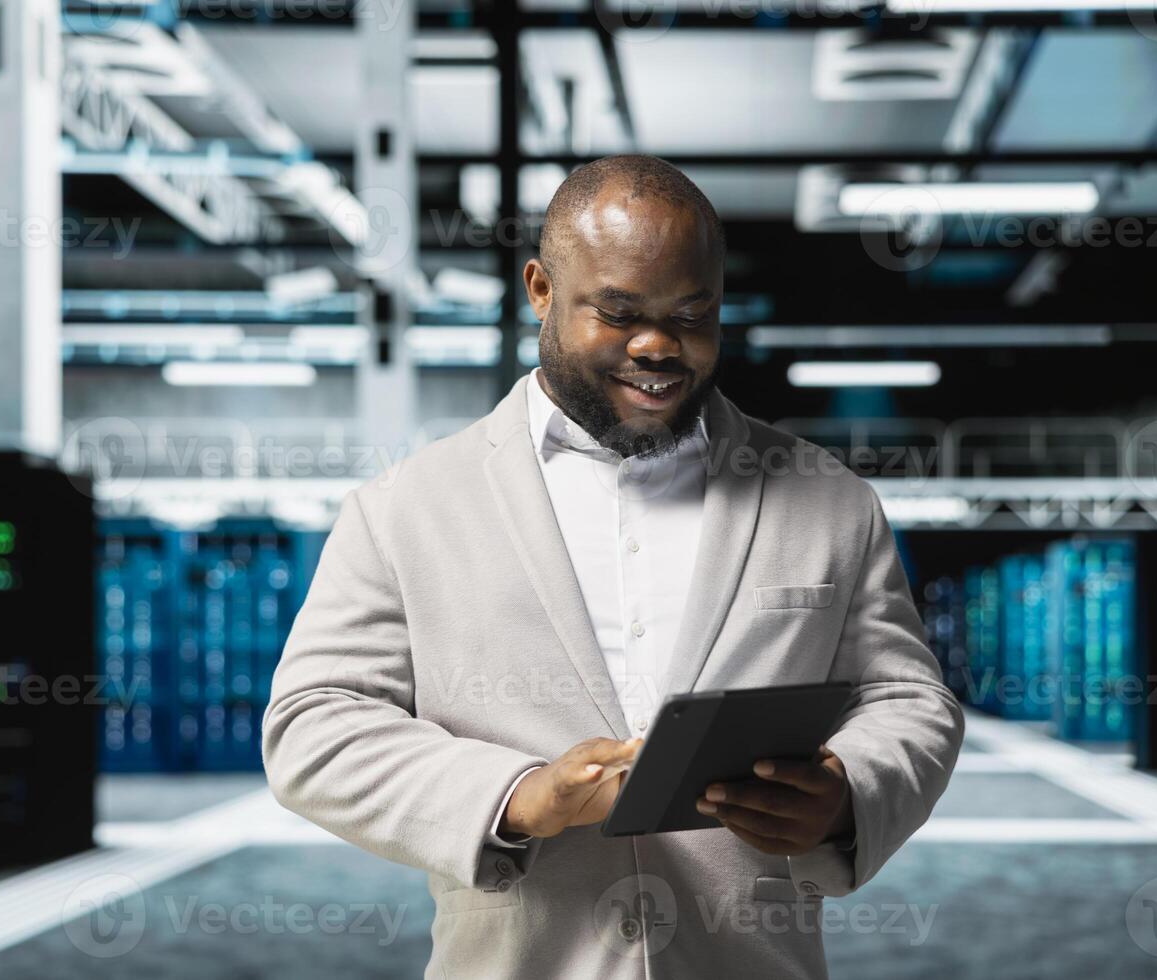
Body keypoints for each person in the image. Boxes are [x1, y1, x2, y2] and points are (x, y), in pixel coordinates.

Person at [263, 154, 963, 978]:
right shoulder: (402, 509)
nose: (659, 346)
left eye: (693, 315)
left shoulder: (830, 499)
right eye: (620, 312)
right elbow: (313, 723)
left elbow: (908, 698)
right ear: (541, 290)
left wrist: (849, 789)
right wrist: (516, 796)